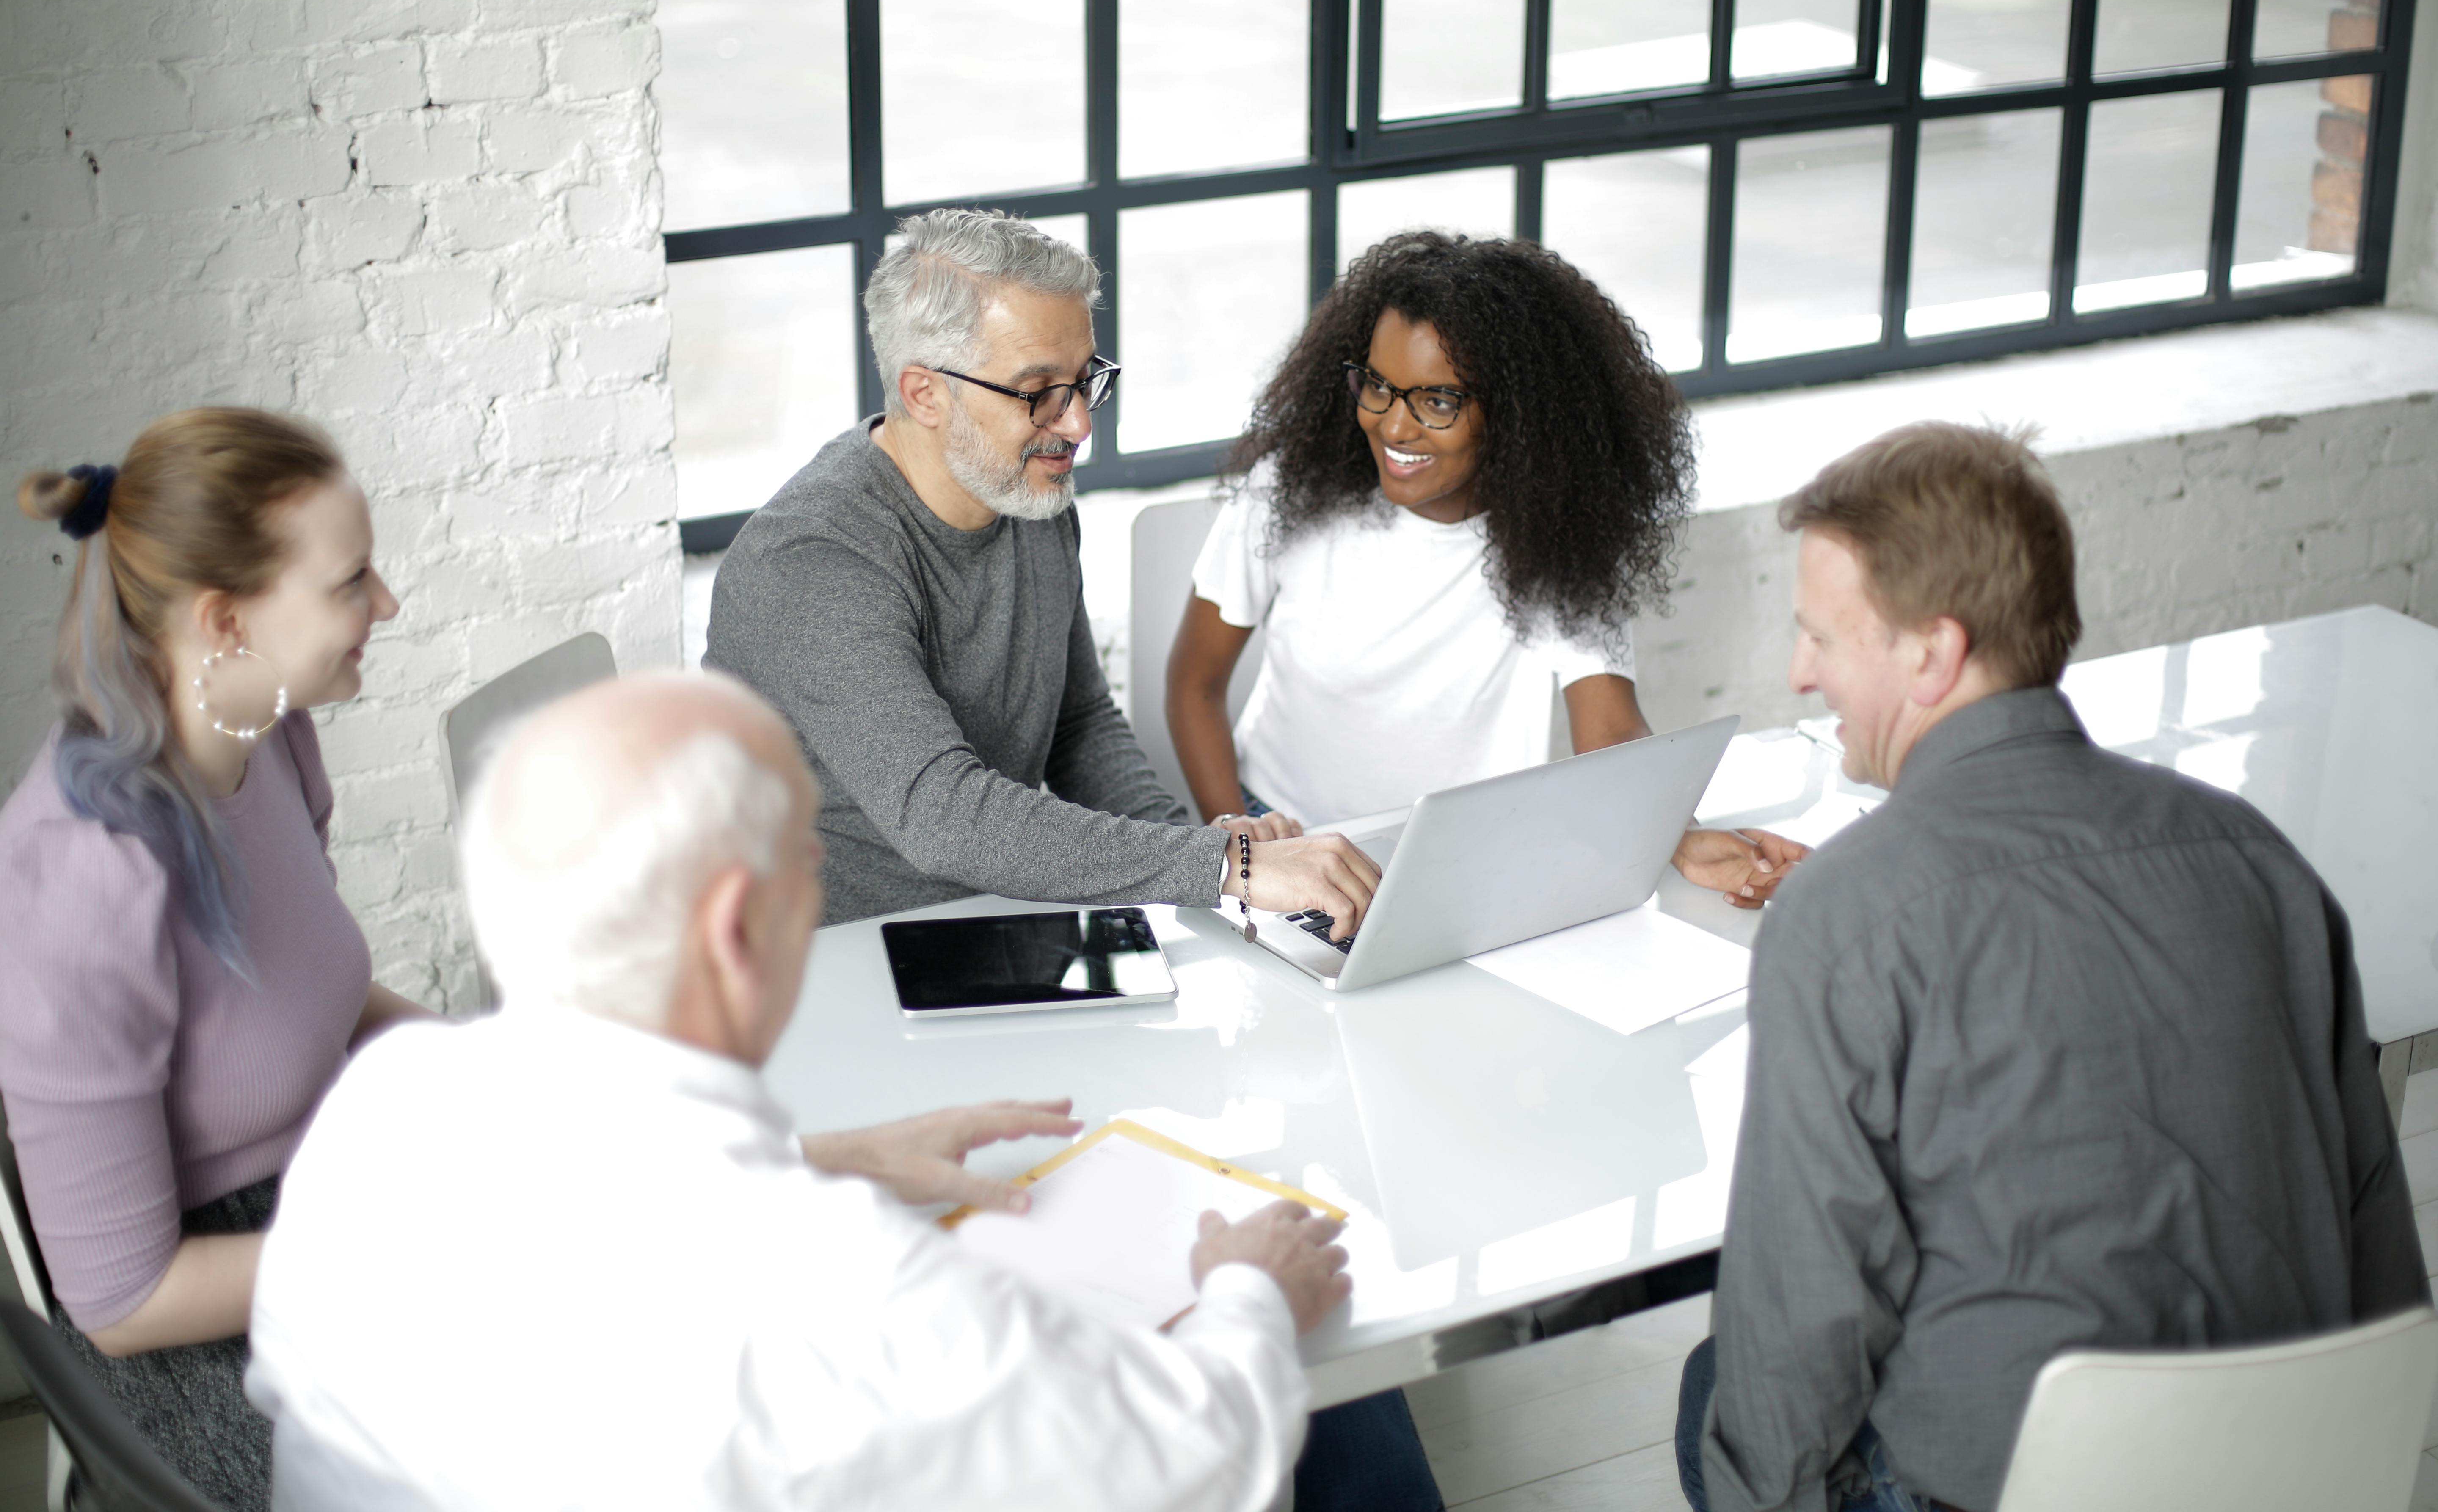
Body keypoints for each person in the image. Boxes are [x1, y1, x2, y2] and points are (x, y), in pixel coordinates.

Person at [245, 670, 1363, 1511]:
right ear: (738, 928)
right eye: (807, 867)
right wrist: (1248, 1286)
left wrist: (833, 1153)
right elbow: (1202, 1459)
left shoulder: (381, 1109)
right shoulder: (856, 1298)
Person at [1675, 424, 2426, 1512]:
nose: (1799, 674)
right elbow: (2369, 1214)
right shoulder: (2259, 857)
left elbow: (1807, 1308)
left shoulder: (1845, 914)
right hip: (2295, 1466)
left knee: (1722, 1400)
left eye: (1822, 638)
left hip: (2020, 1488)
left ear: (1933, 652)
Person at [705, 207, 1381, 941]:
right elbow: (945, 818)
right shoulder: (812, 561)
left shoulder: (1028, 493)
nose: (1080, 424)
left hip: (992, 922)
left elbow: (1079, 726)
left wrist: (1217, 855)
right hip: (818, 961)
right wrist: (1224, 865)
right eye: (1038, 392)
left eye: (1085, 378)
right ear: (925, 393)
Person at [0, 409, 427, 1509]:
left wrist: (481, 1065)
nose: (387, 606)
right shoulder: (82, 880)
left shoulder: (271, 731)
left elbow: (305, 1002)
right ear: (225, 621)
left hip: (327, 1206)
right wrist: (396, 1242)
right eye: (351, 582)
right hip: (210, 1325)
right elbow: (124, 1304)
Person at [1168, 232, 1805, 910]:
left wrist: (1681, 835)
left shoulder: (1556, 540)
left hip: (1452, 860)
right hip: (1285, 836)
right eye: (1378, 387)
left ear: (1520, 414)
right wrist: (1242, 847)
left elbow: (1611, 732)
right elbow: (1194, 685)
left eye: (1437, 401)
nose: (1394, 427)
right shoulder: (1287, 494)